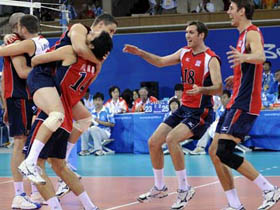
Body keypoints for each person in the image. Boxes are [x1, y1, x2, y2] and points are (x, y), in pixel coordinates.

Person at [123, 20, 222, 209]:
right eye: (186, 32)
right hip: (183, 108)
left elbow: (218, 88)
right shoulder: (184, 52)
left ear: (201, 35)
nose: (187, 35)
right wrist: (141, 53)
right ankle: (160, 187)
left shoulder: (211, 58)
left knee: (172, 140)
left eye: (192, 32)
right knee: (153, 142)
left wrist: (201, 89)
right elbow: (160, 62)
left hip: (201, 111)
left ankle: (184, 189)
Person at [18, 14, 117, 185]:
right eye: (111, 31)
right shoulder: (80, 29)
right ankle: (29, 163)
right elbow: (78, 49)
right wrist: (98, 60)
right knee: (56, 116)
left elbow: (85, 84)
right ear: (99, 25)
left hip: (59, 85)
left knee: (86, 119)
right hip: (44, 75)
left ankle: (65, 162)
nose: (111, 35)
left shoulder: (92, 62)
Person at [209, 1, 280, 210]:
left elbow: (261, 56)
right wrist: (237, 73)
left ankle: (269, 189)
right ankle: (234, 204)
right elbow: (250, 64)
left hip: (245, 102)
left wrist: (244, 57)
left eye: (231, 8)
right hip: (235, 100)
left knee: (224, 151)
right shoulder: (241, 36)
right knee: (214, 151)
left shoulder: (252, 32)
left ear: (242, 11)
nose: (228, 12)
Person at [0, 13, 49, 209]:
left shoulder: (28, 42)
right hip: (19, 96)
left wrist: (4, 105)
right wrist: (49, 71)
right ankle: (19, 195)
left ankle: (35, 193)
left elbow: (4, 79)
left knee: (30, 144)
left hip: (26, 97)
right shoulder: (14, 42)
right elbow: (20, 72)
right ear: (19, 26)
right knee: (20, 144)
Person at [190, 89, 231, 155]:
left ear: (230, 98)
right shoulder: (219, 109)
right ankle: (200, 147)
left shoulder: (233, 109)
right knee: (207, 128)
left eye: (225, 97)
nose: (223, 100)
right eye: (221, 98)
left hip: (230, 128)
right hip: (219, 129)